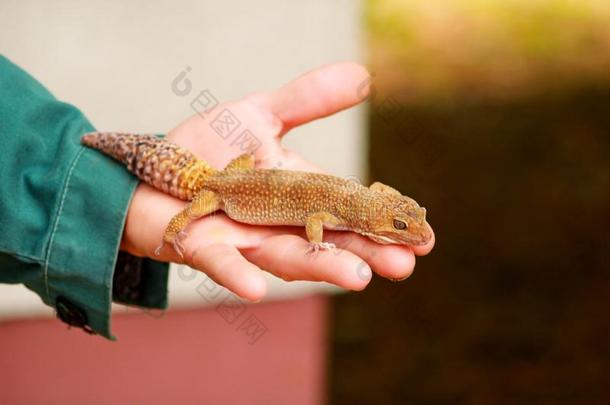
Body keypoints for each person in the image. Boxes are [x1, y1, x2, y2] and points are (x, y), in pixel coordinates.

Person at [0, 55, 435, 339]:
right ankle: (173, 222)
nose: (411, 231)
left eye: (408, 221)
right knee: (186, 217)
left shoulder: (359, 200)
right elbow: (316, 222)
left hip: (231, 178)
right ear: (371, 214)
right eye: (401, 225)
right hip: (218, 191)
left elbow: (372, 195)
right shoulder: (341, 207)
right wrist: (175, 228)